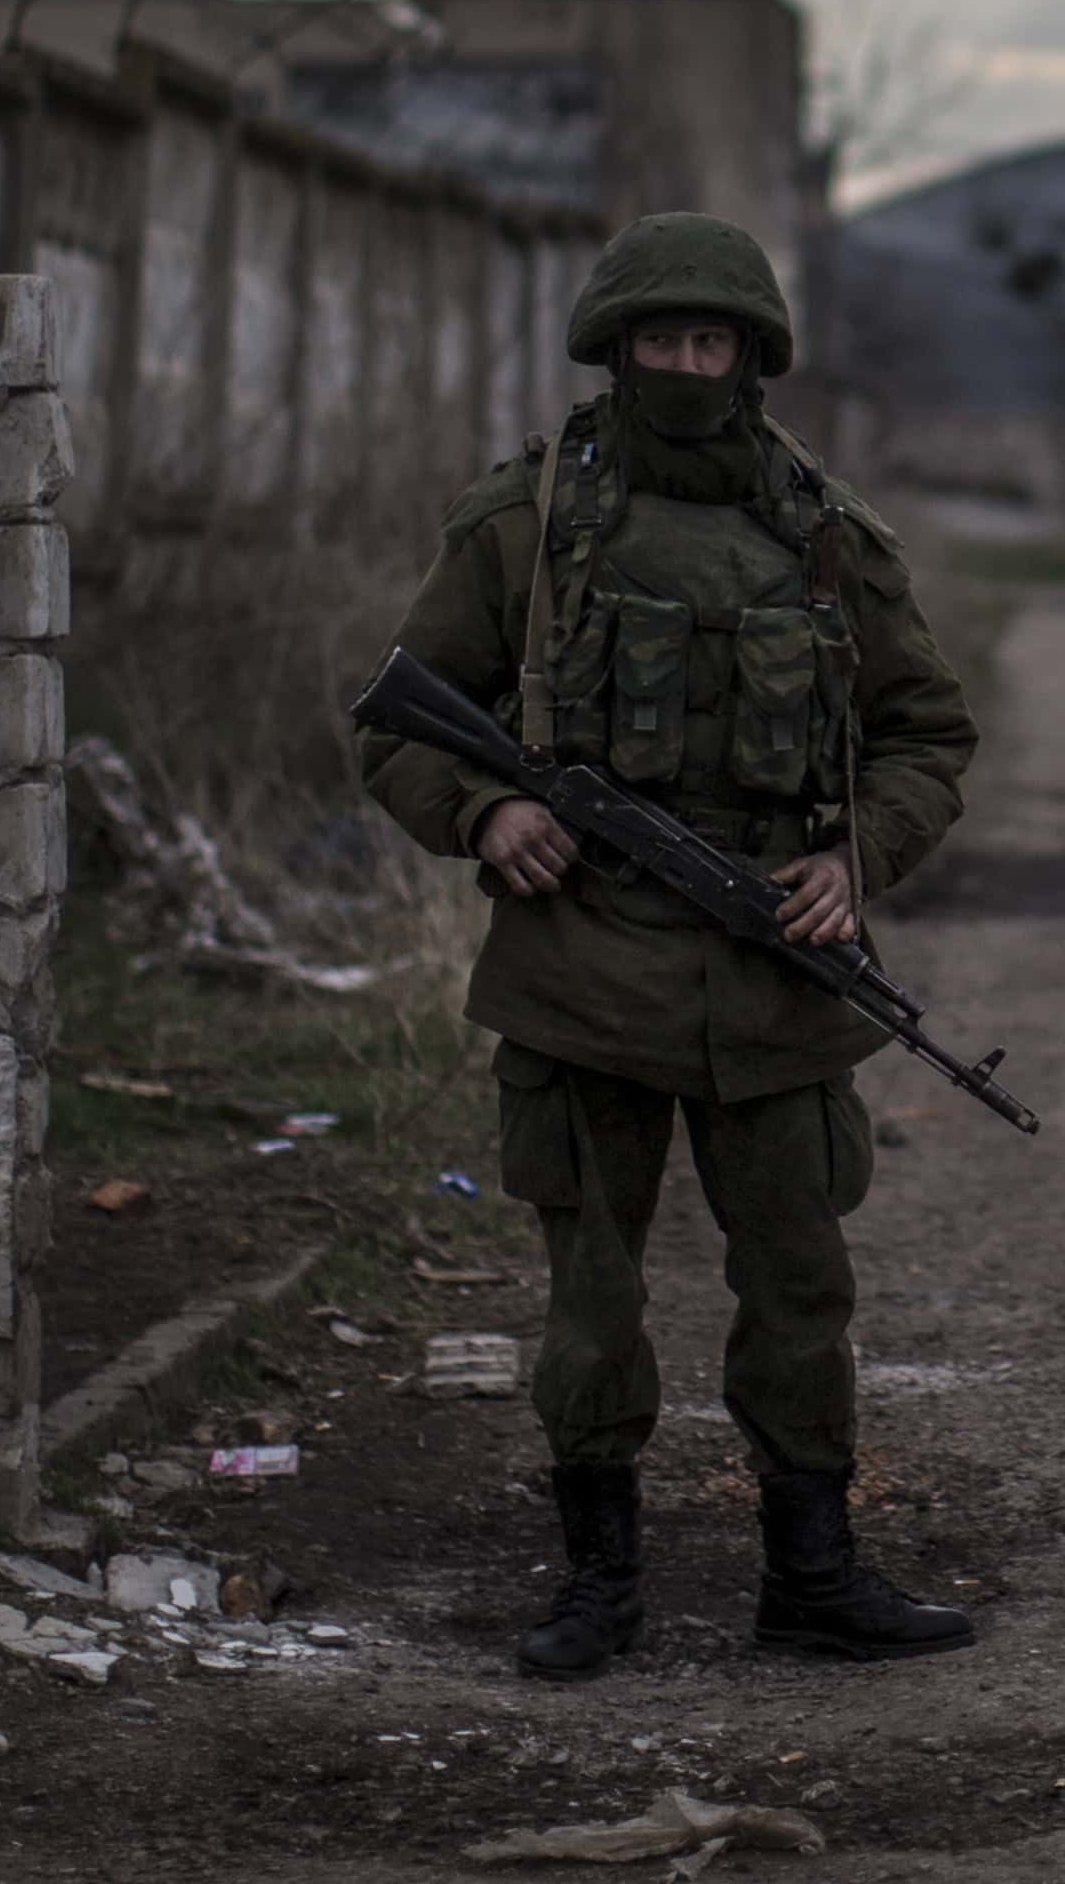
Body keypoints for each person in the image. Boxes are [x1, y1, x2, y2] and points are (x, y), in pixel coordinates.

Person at [364, 211, 982, 1679]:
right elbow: (397, 722)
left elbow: (927, 734)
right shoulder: (524, 524)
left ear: (754, 358)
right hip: (581, 972)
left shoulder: (828, 535)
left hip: (774, 971)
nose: (688, 366)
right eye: (662, 340)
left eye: (714, 343)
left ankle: (812, 1576)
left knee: (800, 1296)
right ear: (616, 347)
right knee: (592, 1305)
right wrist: (485, 811)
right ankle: (596, 1585)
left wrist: (858, 855)